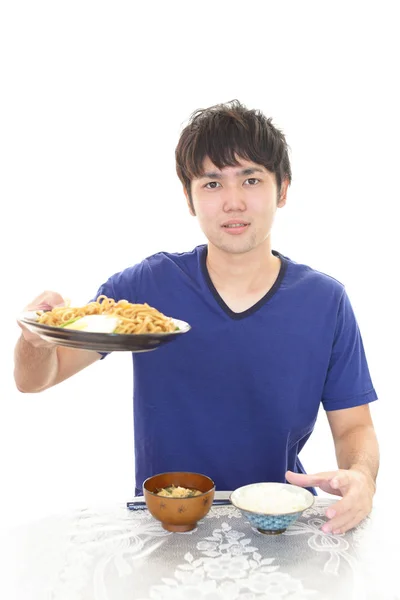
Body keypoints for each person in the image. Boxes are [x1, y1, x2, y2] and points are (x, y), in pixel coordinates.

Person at [14, 100, 379, 535]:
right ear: (188, 197)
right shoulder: (143, 291)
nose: (233, 202)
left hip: (279, 521)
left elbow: (354, 426)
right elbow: (37, 378)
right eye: (211, 184)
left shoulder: (326, 301)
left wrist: (362, 478)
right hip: (168, 523)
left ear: (282, 190)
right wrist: (35, 341)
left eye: (251, 179)